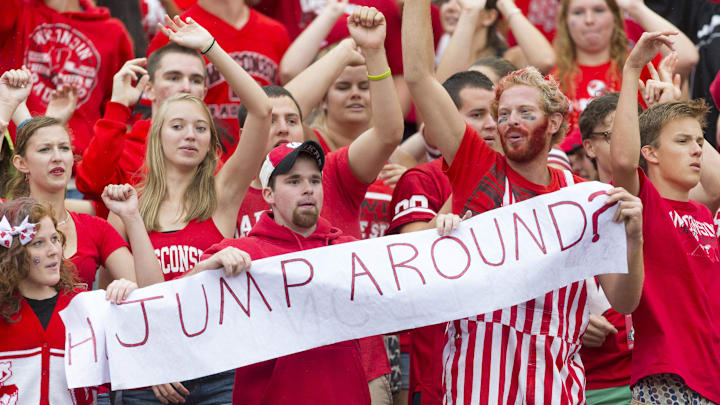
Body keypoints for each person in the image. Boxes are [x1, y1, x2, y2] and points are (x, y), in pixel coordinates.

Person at [402, 1, 645, 402]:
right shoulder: (477, 168)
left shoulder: (580, 197)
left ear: (553, 124)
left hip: (557, 390)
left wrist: (634, 241)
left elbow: (623, 299)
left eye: (524, 112)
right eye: (504, 113)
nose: (510, 121)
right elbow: (417, 76)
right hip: (478, 389)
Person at [233, 7, 404, 403]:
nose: (282, 128)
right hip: (269, 374)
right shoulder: (227, 190)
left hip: (357, 366)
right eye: (269, 120)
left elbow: (390, 132)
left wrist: (374, 53)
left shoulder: (334, 173)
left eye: (292, 120)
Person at [106, 15, 271, 404]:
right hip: (149, 376)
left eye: (200, 128)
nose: (190, 135)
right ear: (156, 135)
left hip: (218, 369)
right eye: (177, 126)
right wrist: (155, 359)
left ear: (211, 140)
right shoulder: (126, 206)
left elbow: (261, 111)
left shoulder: (223, 193)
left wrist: (211, 47)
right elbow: (136, 301)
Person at [610, 30, 720, 404]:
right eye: (683, 142)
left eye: (701, 144)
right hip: (669, 374)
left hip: (712, 376)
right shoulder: (646, 203)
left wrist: (676, 110)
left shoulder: (703, 209)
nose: (696, 151)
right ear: (651, 153)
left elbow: (718, 183)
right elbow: (623, 160)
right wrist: (632, 69)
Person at [0, 198, 136, 405]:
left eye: (55, 239)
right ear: (13, 253)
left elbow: (134, 365)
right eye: (38, 243)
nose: (53, 250)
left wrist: (131, 301)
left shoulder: (86, 309)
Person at [147, 0, 290, 159]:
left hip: (263, 165)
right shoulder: (175, 32)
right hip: (201, 165)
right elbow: (153, 117)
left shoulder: (275, 32)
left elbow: (279, 108)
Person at [75, 43, 207, 205]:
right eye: (173, 78)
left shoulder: (210, 154)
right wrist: (119, 105)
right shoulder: (124, 149)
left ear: (204, 93)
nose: (186, 87)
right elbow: (90, 184)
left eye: (196, 80)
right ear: (149, 89)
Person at [0, 0, 134, 158]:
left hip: (82, 166)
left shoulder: (112, 31)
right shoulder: (17, 11)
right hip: (20, 162)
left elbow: (116, 109)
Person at [552, 0, 697, 139]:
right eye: (578, 12)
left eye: (598, 10)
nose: (589, 20)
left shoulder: (638, 62)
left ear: (615, 17)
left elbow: (687, 58)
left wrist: (635, 7)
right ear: (565, 20)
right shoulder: (553, 79)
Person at [435, 0, 556, 85]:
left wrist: (505, 4)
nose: (449, 7)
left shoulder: (510, 59)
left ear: (489, 17)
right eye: (445, 0)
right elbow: (441, 97)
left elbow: (546, 61)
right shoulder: (438, 61)